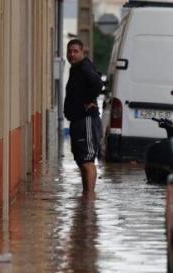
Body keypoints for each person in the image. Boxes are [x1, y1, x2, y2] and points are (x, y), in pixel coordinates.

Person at [64, 39, 104, 194]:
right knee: (81, 159)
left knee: (87, 160)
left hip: (86, 119)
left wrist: (88, 100)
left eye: (75, 51)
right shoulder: (76, 68)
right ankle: (86, 195)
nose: (72, 54)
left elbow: (97, 83)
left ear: (82, 52)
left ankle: (89, 197)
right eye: (70, 51)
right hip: (77, 120)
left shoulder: (85, 67)